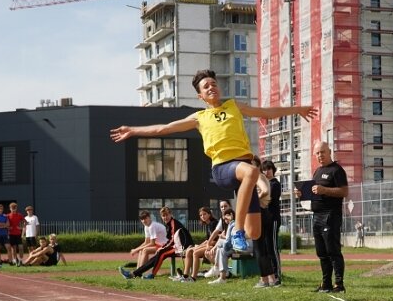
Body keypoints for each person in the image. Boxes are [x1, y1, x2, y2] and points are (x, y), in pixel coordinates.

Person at [110, 68, 317, 253]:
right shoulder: (199, 117)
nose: (211, 87)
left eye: (214, 84)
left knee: (255, 233)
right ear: (200, 95)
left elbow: (266, 113)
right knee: (252, 172)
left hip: (243, 168)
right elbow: (163, 128)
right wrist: (133, 130)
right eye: (206, 86)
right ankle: (236, 229)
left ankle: (234, 235)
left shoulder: (233, 106)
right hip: (223, 168)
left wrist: (296, 109)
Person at [296, 141, 349, 293]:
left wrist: (324, 189)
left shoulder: (337, 170)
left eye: (322, 152)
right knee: (321, 252)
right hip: (317, 215)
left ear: (329, 151)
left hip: (330, 215)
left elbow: (344, 192)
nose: (320, 155)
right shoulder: (317, 171)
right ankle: (325, 283)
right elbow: (314, 193)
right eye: (317, 153)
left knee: (333, 251)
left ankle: (339, 285)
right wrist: (301, 194)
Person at [119, 207, 191, 280]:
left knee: (161, 253)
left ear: (171, 214)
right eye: (163, 216)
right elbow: (170, 240)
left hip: (181, 247)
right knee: (159, 254)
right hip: (175, 246)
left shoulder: (173, 223)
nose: (165, 217)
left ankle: (144, 274)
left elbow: (172, 240)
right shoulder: (169, 224)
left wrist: (163, 247)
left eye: (166, 215)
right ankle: (137, 273)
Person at [208, 208, 253, 284]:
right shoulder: (232, 224)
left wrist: (231, 222)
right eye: (224, 219)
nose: (226, 220)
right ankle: (222, 276)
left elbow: (227, 243)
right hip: (239, 247)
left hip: (246, 247)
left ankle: (217, 268)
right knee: (220, 250)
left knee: (222, 246)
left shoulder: (235, 224)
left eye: (227, 217)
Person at [253, 157, 277, 288]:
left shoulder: (257, 176)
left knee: (259, 249)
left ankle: (264, 280)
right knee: (264, 248)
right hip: (263, 213)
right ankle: (271, 278)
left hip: (260, 213)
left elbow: (266, 191)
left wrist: (253, 201)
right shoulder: (261, 177)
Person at [178, 206, 219, 282]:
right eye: (201, 215)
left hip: (216, 246)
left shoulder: (214, 223)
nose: (202, 216)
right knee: (189, 250)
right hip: (210, 244)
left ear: (209, 214)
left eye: (204, 214)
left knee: (195, 252)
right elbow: (208, 240)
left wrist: (200, 246)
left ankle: (193, 278)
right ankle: (185, 275)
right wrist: (199, 245)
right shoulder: (208, 224)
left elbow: (215, 241)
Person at [261, 159, 282, 284]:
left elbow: (267, 198)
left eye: (269, 169)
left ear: (273, 170)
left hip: (273, 219)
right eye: (264, 169)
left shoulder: (275, 184)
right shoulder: (263, 184)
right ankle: (270, 274)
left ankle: (277, 274)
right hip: (264, 220)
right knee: (267, 248)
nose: (266, 171)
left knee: (273, 248)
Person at [202, 200, 232, 278]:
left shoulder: (232, 217)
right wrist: (208, 243)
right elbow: (216, 232)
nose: (223, 208)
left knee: (214, 250)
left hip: (232, 244)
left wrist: (214, 246)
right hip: (225, 243)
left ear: (230, 206)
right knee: (207, 252)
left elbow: (227, 235)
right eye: (221, 207)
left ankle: (219, 269)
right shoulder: (222, 218)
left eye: (225, 206)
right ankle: (220, 269)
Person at [6, 202, 24, 266]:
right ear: (10, 208)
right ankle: (15, 260)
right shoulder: (7, 216)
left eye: (15, 207)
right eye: (12, 208)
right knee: (13, 248)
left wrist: (21, 227)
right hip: (11, 234)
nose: (13, 209)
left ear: (16, 208)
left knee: (21, 247)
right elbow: (5, 224)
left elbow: (25, 222)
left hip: (18, 234)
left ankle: (21, 261)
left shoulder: (19, 215)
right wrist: (8, 227)